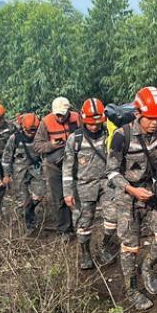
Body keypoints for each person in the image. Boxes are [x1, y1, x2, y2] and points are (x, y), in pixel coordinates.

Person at [106, 86, 157, 311]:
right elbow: (111, 173)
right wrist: (132, 190)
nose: (155, 123)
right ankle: (131, 290)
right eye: (151, 118)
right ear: (138, 114)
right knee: (130, 246)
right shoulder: (122, 136)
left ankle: (148, 268)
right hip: (128, 197)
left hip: (155, 192)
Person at [63, 98, 117, 269]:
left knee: (113, 218)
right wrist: (68, 192)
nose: (94, 126)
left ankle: (103, 246)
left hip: (107, 183)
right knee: (84, 223)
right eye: (90, 123)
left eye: (97, 123)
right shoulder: (75, 139)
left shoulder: (110, 134)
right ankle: (85, 253)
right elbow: (67, 167)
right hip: (84, 186)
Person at [32, 96, 80, 236]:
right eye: (57, 115)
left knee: (78, 195)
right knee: (59, 199)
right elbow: (36, 146)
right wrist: (51, 145)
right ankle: (65, 230)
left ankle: (81, 226)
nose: (60, 118)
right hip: (54, 166)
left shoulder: (78, 118)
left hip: (75, 164)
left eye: (62, 114)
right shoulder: (46, 122)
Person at [2, 114, 46, 234]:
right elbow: (6, 157)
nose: (32, 133)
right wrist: (7, 175)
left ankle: (30, 211)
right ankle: (27, 225)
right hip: (19, 173)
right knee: (23, 200)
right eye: (30, 130)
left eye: (35, 130)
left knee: (39, 195)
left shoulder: (41, 136)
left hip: (36, 170)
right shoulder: (15, 138)